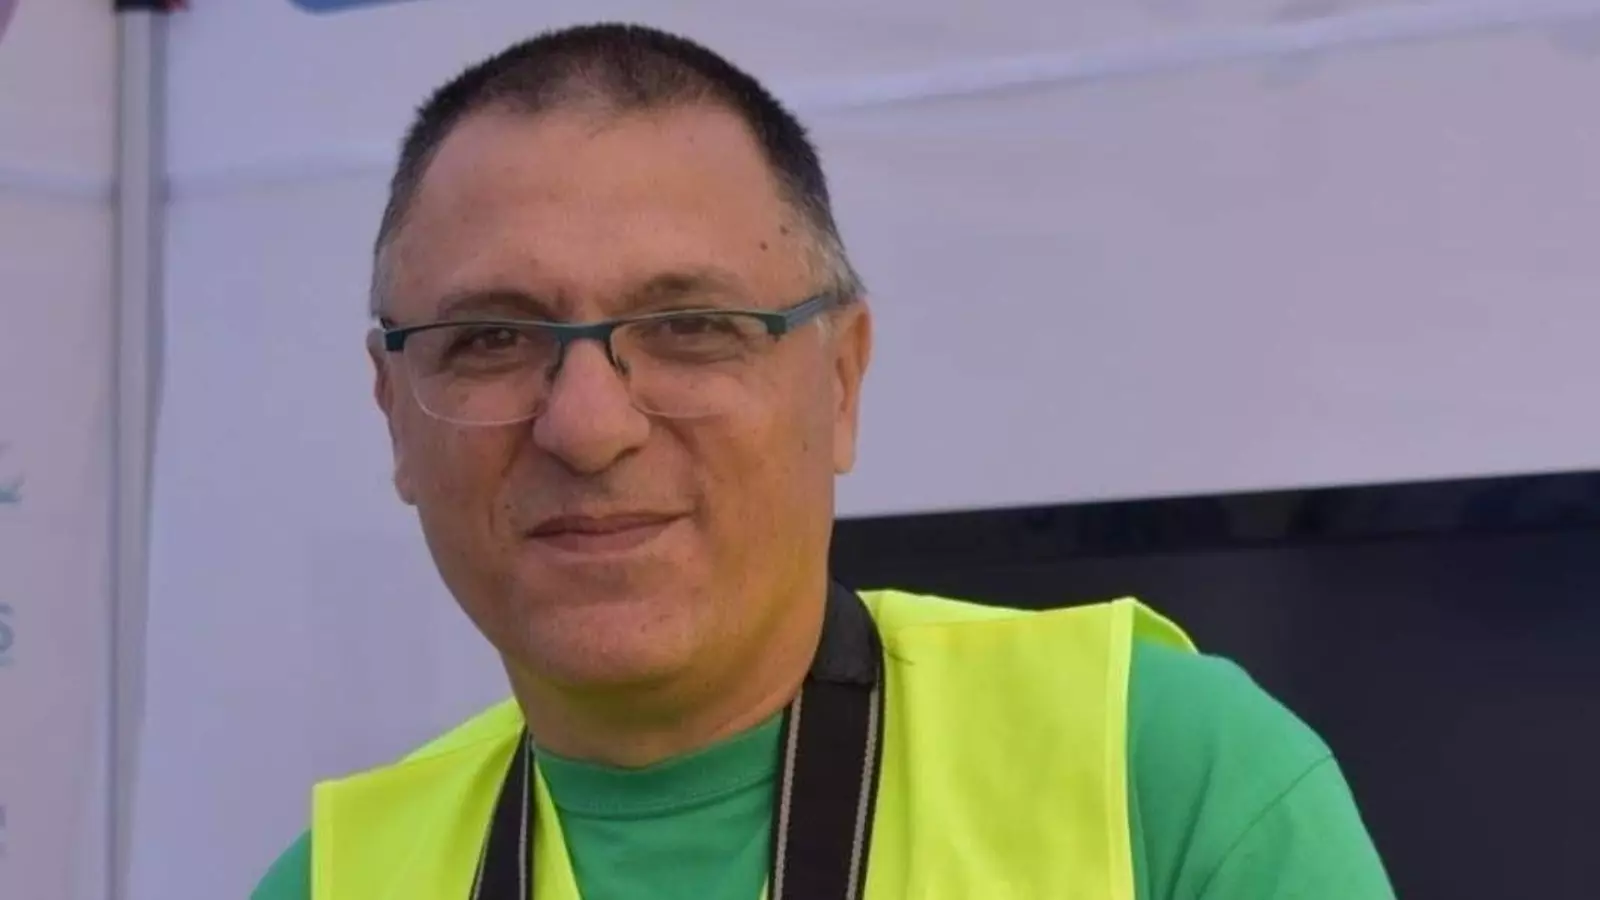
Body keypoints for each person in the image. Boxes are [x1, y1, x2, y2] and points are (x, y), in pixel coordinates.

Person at [251, 21, 1394, 900]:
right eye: (492, 340)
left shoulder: (1166, 774)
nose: (587, 427)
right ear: (394, 415)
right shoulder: (336, 880)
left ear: (839, 383)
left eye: (690, 325)